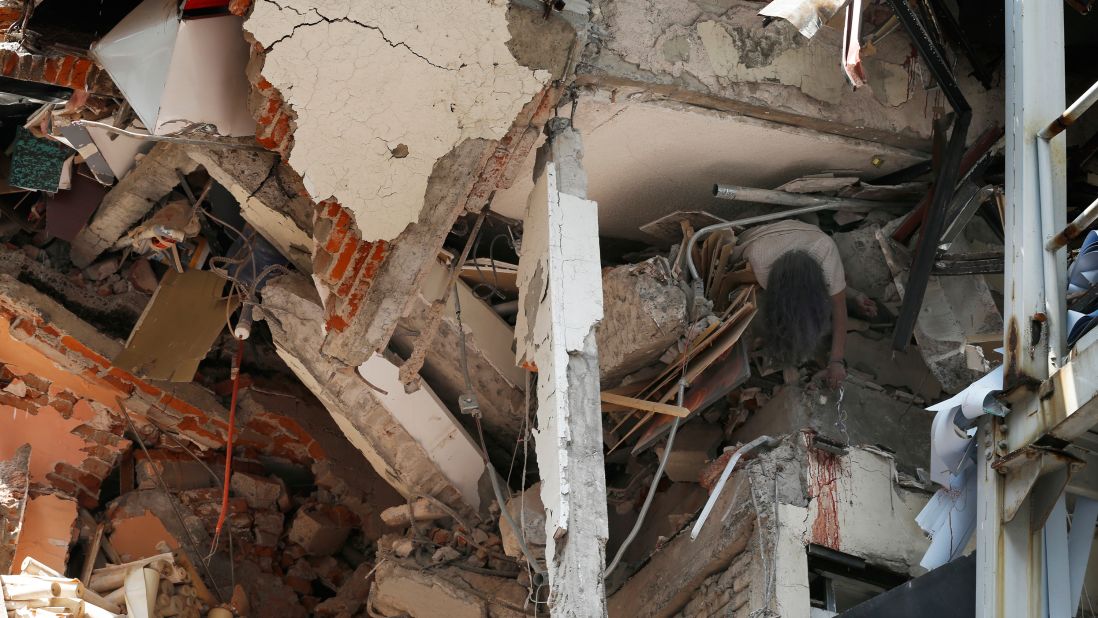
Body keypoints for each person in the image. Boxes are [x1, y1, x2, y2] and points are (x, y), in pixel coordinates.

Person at [732, 219, 876, 389]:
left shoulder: (826, 249)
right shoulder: (759, 259)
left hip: (805, 231)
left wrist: (836, 361)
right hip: (761, 236)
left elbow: (839, 307)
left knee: (811, 318)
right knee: (770, 318)